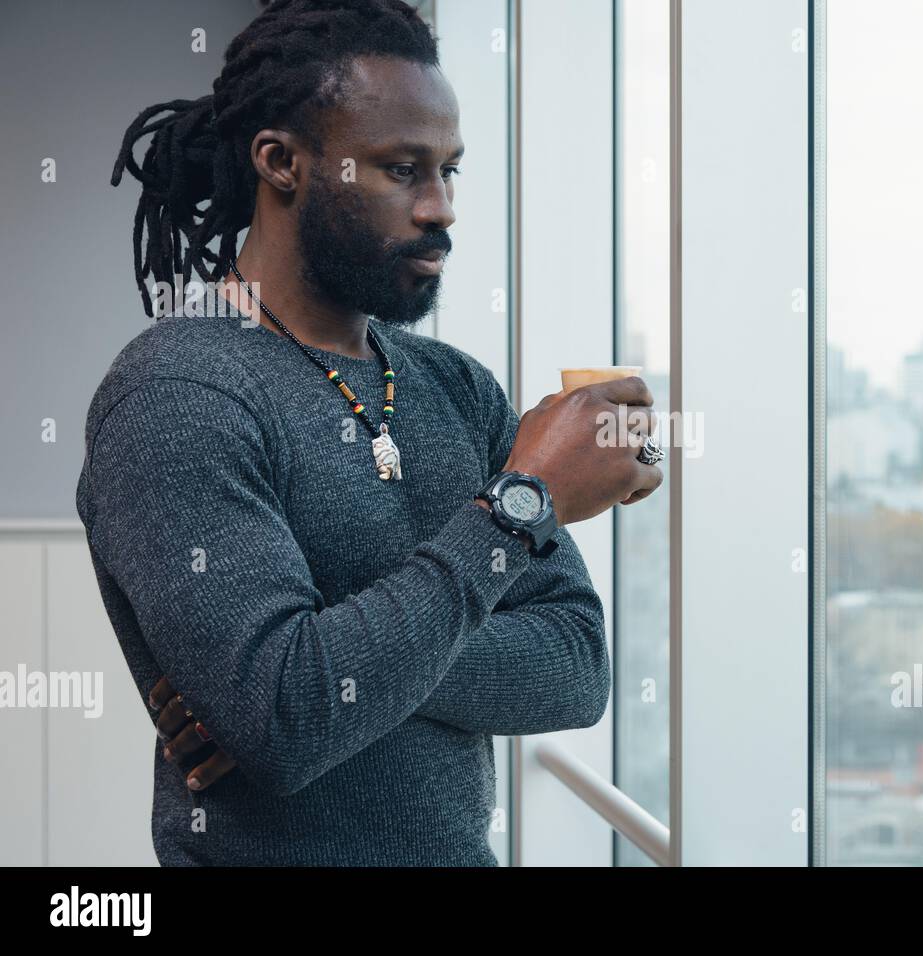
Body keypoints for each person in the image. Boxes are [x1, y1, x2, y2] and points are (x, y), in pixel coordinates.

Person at [76, 0, 662, 866]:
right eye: (401, 171)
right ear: (281, 162)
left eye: (450, 172)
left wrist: (325, 671)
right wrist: (517, 508)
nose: (442, 209)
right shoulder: (177, 394)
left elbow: (576, 669)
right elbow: (285, 719)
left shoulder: (455, 387)